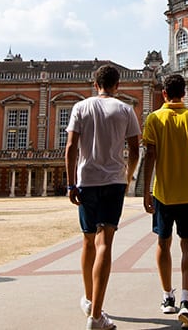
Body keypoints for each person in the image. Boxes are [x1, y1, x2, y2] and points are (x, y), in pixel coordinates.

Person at [64, 64, 141, 330]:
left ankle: (89, 300)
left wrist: (71, 183)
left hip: (86, 181)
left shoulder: (80, 107)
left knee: (87, 241)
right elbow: (134, 149)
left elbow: (71, 147)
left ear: (95, 83)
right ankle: (96, 315)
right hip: (114, 181)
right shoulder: (125, 109)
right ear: (117, 85)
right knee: (104, 242)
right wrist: (129, 175)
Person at [142, 74, 188, 329]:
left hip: (163, 191)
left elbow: (150, 155)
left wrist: (146, 190)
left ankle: (167, 296)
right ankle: (187, 298)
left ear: (163, 93)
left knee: (163, 242)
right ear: (184, 92)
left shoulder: (154, 118)